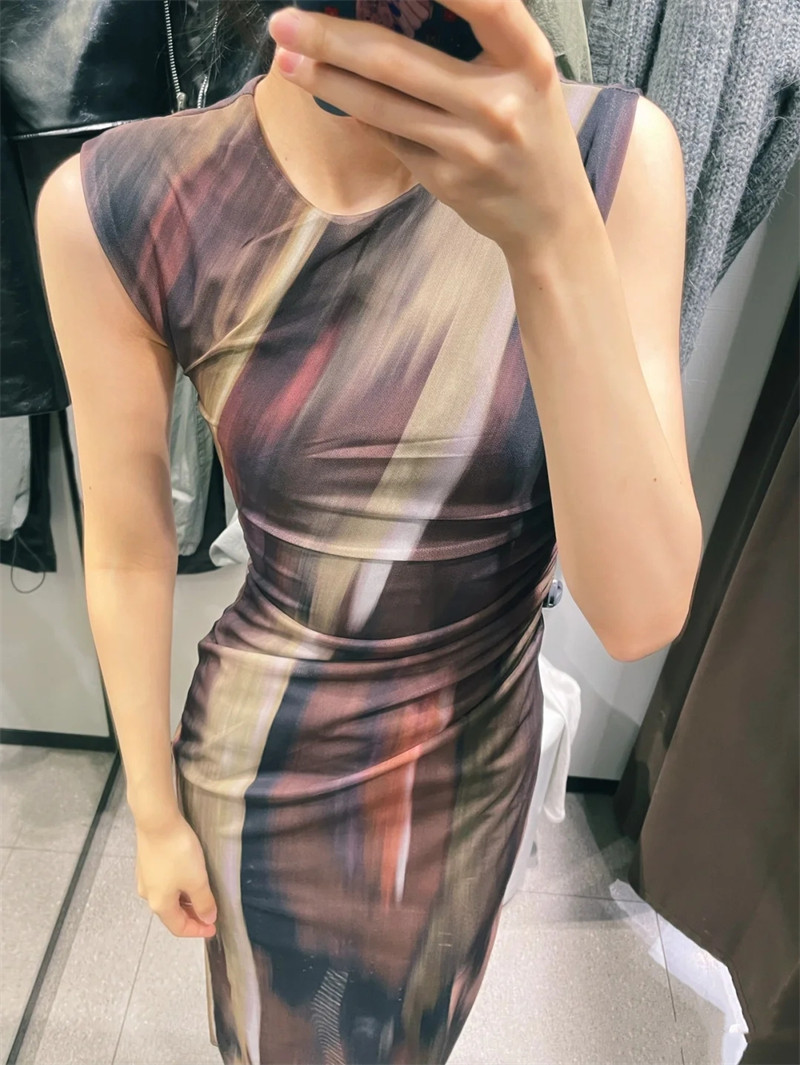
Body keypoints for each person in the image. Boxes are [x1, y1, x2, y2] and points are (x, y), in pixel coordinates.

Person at [35, 1, 702, 1061]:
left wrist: (550, 237)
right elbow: (125, 545)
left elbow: (637, 613)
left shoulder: (614, 160)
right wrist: (153, 815)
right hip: (266, 769)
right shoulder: (128, 199)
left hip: (472, 770)